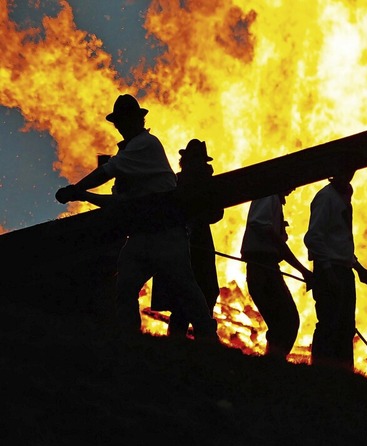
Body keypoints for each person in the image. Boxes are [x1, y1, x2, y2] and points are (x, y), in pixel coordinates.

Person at [55, 94, 217, 341]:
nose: (118, 126)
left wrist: (76, 189)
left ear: (136, 120)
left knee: (186, 288)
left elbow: (107, 171)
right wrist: (84, 196)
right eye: (117, 121)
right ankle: (130, 339)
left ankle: (207, 337)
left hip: (166, 234)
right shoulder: (131, 159)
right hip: (142, 236)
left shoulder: (145, 144)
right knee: (125, 288)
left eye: (122, 120)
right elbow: (119, 203)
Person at [151, 139, 223, 338]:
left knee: (206, 291)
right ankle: (181, 339)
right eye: (195, 159)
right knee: (183, 293)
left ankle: (201, 339)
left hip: (200, 242)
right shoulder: (177, 183)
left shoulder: (204, 183)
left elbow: (217, 213)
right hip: (181, 242)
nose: (199, 163)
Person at [303, 168, 367, 371]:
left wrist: (357, 267)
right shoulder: (326, 198)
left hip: (343, 269)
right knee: (329, 323)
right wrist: (327, 270)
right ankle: (323, 372)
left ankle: (343, 374)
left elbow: (339, 240)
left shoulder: (344, 196)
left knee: (345, 326)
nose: (348, 174)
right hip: (330, 270)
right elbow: (313, 238)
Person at [240, 190, 313, 360]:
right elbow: (260, 225)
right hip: (262, 266)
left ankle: (273, 361)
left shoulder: (273, 198)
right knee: (287, 320)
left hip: (267, 266)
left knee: (282, 321)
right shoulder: (268, 194)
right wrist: (303, 270)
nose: (295, 188)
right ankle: (274, 361)